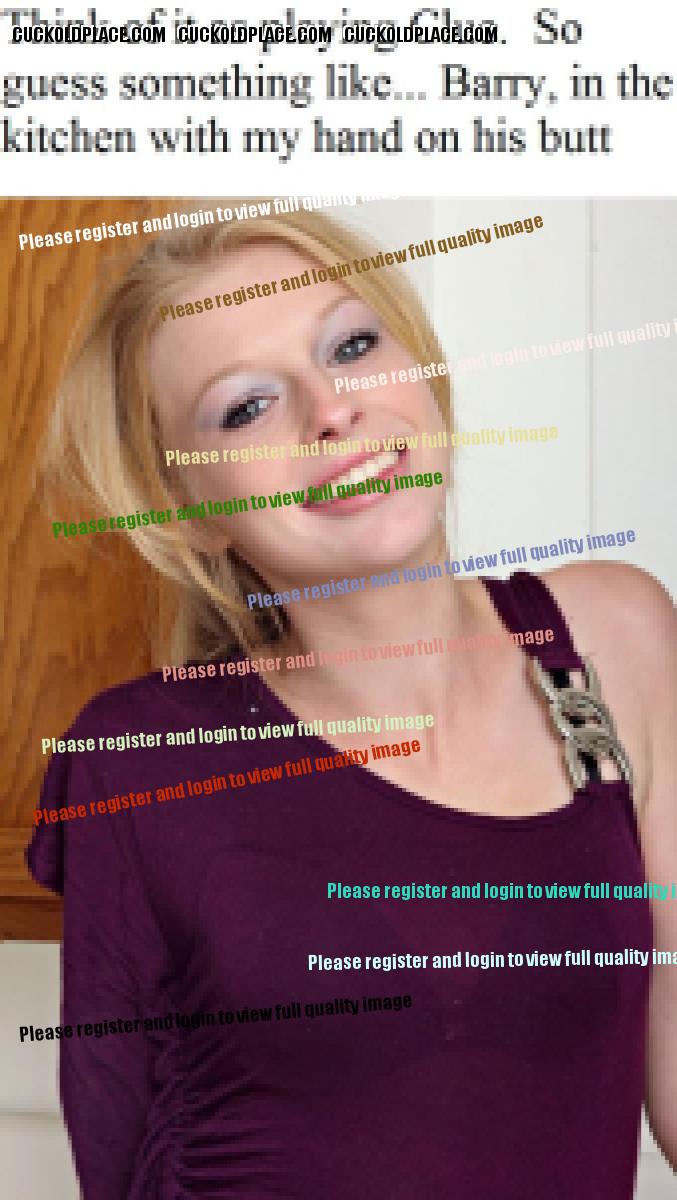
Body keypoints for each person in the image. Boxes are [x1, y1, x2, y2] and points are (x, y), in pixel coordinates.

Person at [28, 204, 676, 1199]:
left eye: (351, 346)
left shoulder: (612, 639)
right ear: (186, 512)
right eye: (245, 406)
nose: (330, 409)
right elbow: (113, 1142)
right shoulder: (133, 757)